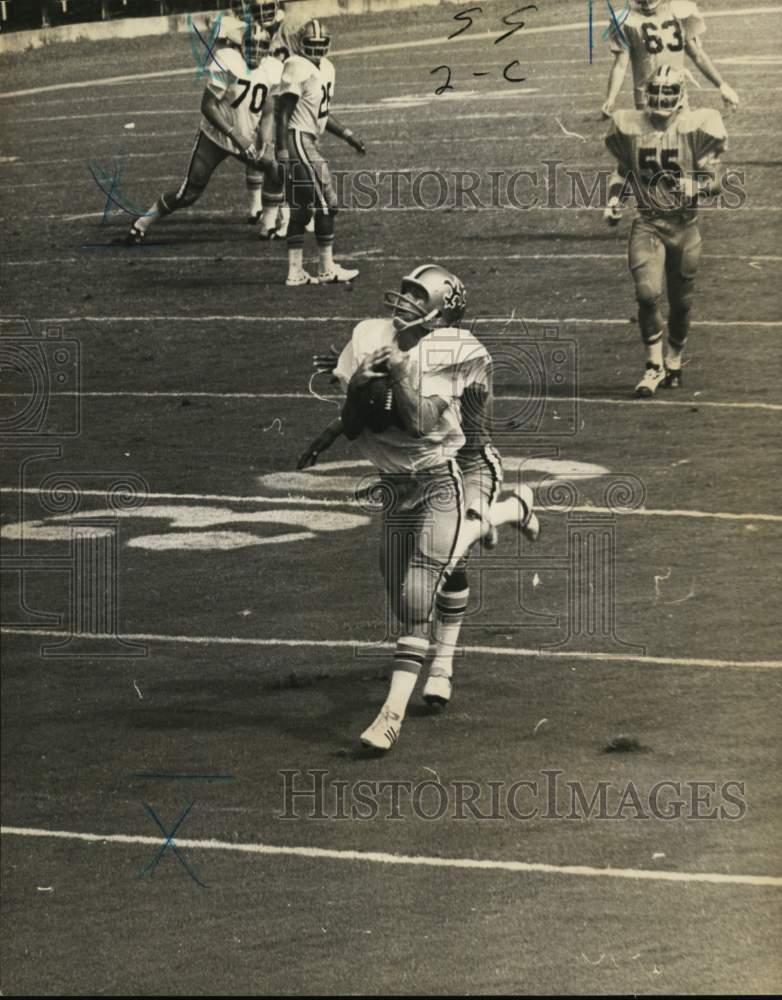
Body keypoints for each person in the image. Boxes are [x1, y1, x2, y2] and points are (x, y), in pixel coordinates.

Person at [297, 265, 540, 751]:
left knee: (422, 587)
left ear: (440, 310)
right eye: (405, 291)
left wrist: (399, 375)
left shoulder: (458, 349)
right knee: (404, 593)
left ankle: (390, 716)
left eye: (417, 295)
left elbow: (421, 424)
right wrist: (352, 391)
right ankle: (503, 519)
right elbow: (356, 418)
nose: (404, 301)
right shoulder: (368, 333)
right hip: (397, 485)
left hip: (454, 471)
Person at [604, 65, 728, 396]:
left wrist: (695, 185)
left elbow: (715, 182)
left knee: (681, 302)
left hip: (684, 227)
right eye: (655, 92)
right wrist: (615, 200)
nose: (661, 99)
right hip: (648, 223)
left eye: (668, 93)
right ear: (646, 95)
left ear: (681, 97)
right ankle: (653, 366)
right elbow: (622, 171)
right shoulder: (629, 126)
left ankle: (674, 358)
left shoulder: (697, 127)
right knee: (647, 294)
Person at [126, 16, 283, 244]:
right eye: (251, 45)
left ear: (268, 50)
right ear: (241, 45)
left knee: (275, 167)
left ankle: (268, 226)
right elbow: (207, 106)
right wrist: (235, 135)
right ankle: (141, 224)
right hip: (216, 136)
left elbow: (268, 112)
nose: (255, 51)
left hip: (246, 138)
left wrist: (267, 145)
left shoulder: (272, 69)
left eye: (261, 47)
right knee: (187, 194)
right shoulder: (228, 61)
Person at [276, 19, 366, 286]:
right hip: (298, 141)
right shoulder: (296, 66)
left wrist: (347, 135)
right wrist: (281, 149)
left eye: (320, 45)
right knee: (327, 204)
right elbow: (283, 113)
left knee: (302, 211)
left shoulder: (327, 68)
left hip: (307, 140)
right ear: (301, 44)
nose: (315, 50)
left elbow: (322, 114)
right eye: (310, 45)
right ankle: (327, 269)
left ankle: (295, 272)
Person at [602, 0, 739, 118]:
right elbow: (620, 64)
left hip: (676, 94)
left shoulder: (678, 13)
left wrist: (722, 85)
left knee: (681, 142)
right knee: (651, 144)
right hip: (648, 98)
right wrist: (611, 98)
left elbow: (697, 55)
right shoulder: (626, 20)